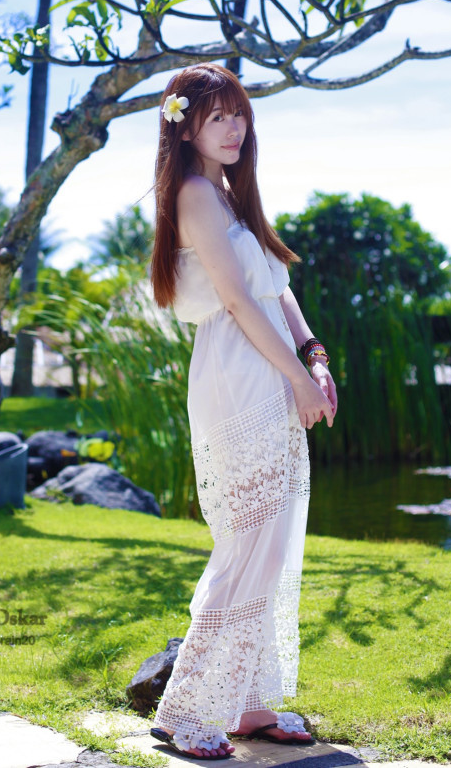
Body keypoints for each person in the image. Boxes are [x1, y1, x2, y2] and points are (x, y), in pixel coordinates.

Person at [149, 63, 337, 760]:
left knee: (272, 544)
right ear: (185, 127)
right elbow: (234, 301)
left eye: (239, 115)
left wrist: (315, 358)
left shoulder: (231, 193)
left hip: (271, 364)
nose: (234, 128)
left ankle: (251, 704)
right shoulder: (195, 193)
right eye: (218, 116)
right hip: (237, 373)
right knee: (248, 542)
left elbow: (277, 290)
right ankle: (184, 709)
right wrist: (297, 380)